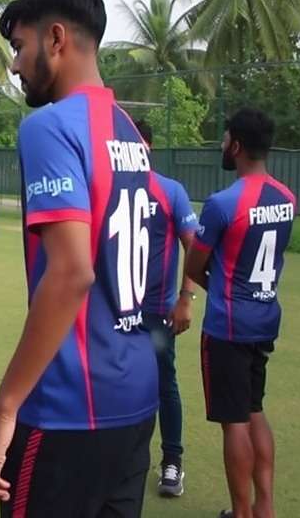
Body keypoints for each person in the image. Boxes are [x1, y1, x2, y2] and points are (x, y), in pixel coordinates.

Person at [0, 0, 157, 518]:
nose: (14, 65)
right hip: (134, 399)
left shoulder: (49, 127)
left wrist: (5, 409)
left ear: (55, 38)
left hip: (69, 406)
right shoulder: (129, 132)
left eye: (18, 47)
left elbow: (73, 271)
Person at [183, 108, 296, 518]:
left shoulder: (222, 203)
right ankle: (264, 508)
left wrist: (221, 289)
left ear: (236, 145)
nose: (222, 144)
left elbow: (194, 266)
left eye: (225, 137)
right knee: (254, 409)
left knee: (234, 422)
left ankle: (242, 513)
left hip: (228, 327)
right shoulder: (287, 198)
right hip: (265, 320)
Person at [134, 120, 199, 497]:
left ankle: (172, 461)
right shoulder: (107, 188)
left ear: (149, 147)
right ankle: (125, 458)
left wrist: (186, 297)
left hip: (157, 310)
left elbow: (194, 246)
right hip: (116, 311)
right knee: (116, 382)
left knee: (163, 383)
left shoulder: (169, 190)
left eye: (139, 143)